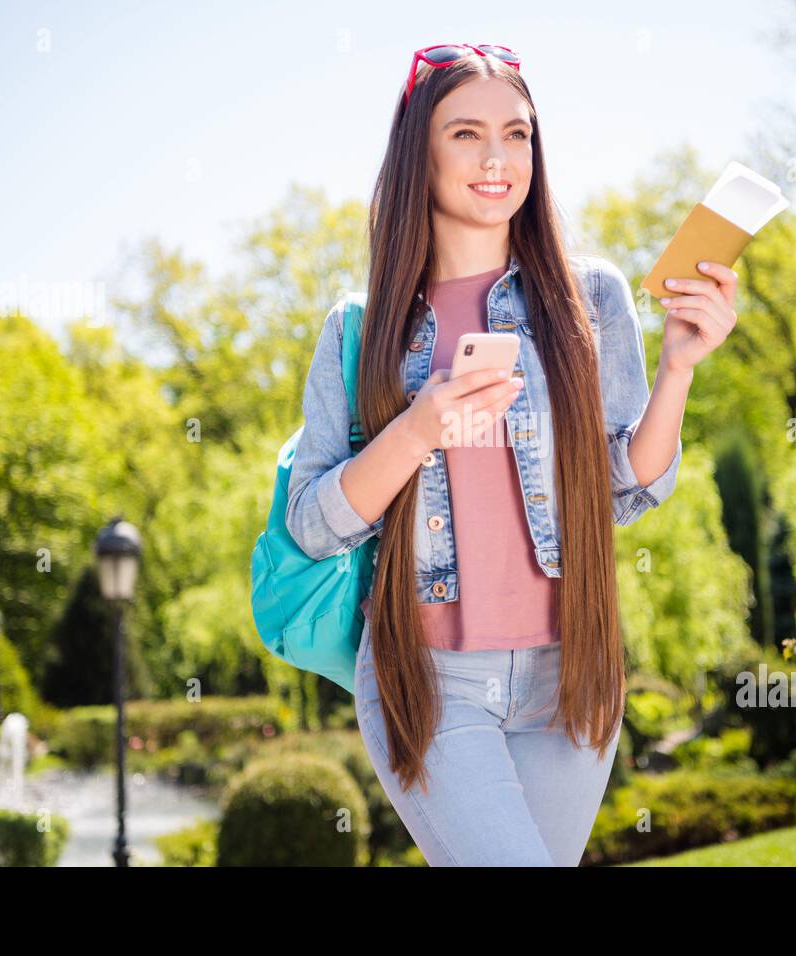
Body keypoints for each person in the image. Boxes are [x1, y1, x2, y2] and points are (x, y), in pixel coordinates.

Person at [284, 43, 739, 866]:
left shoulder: (589, 297)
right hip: (428, 683)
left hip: (571, 676)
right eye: (466, 134)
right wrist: (416, 429)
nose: (497, 158)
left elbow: (626, 488)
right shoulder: (360, 328)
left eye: (518, 134)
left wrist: (679, 366)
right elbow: (313, 525)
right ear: (418, 150)